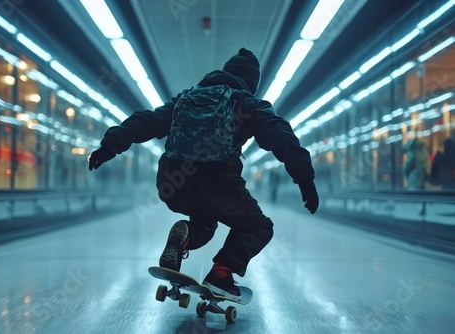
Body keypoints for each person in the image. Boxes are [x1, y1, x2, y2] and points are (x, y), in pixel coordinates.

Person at [88, 48, 319, 300]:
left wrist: (110, 145)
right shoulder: (245, 102)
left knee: (205, 223)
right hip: (219, 184)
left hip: (172, 184)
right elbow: (279, 134)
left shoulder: (186, 99)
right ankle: (221, 274)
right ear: (251, 84)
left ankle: (184, 236)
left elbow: (146, 121)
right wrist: (305, 178)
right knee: (258, 226)